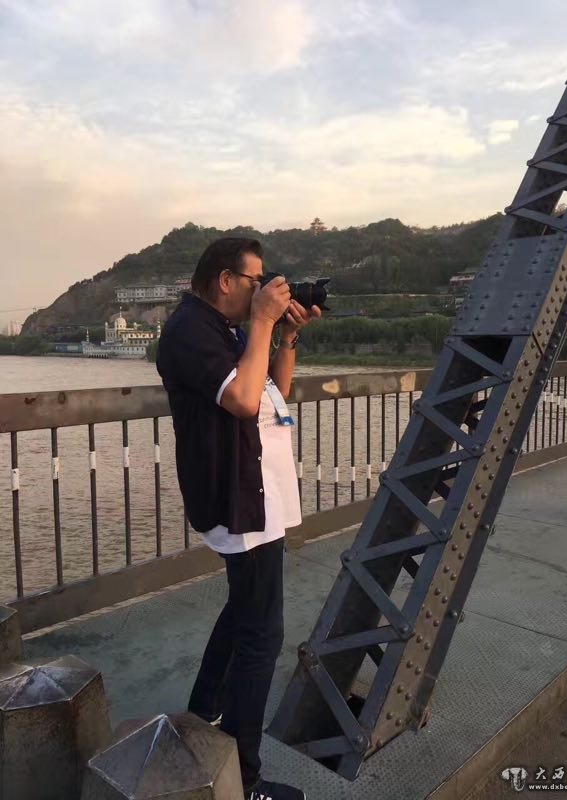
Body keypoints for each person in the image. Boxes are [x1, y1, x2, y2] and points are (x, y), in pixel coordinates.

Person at [156, 237, 320, 800]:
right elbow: (244, 402)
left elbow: (273, 391)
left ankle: (203, 712)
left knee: (242, 612)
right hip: (238, 501)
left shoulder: (226, 330)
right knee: (261, 637)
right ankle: (246, 781)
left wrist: (284, 334)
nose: (263, 289)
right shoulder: (189, 331)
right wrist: (264, 321)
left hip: (256, 498)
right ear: (226, 280)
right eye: (256, 280)